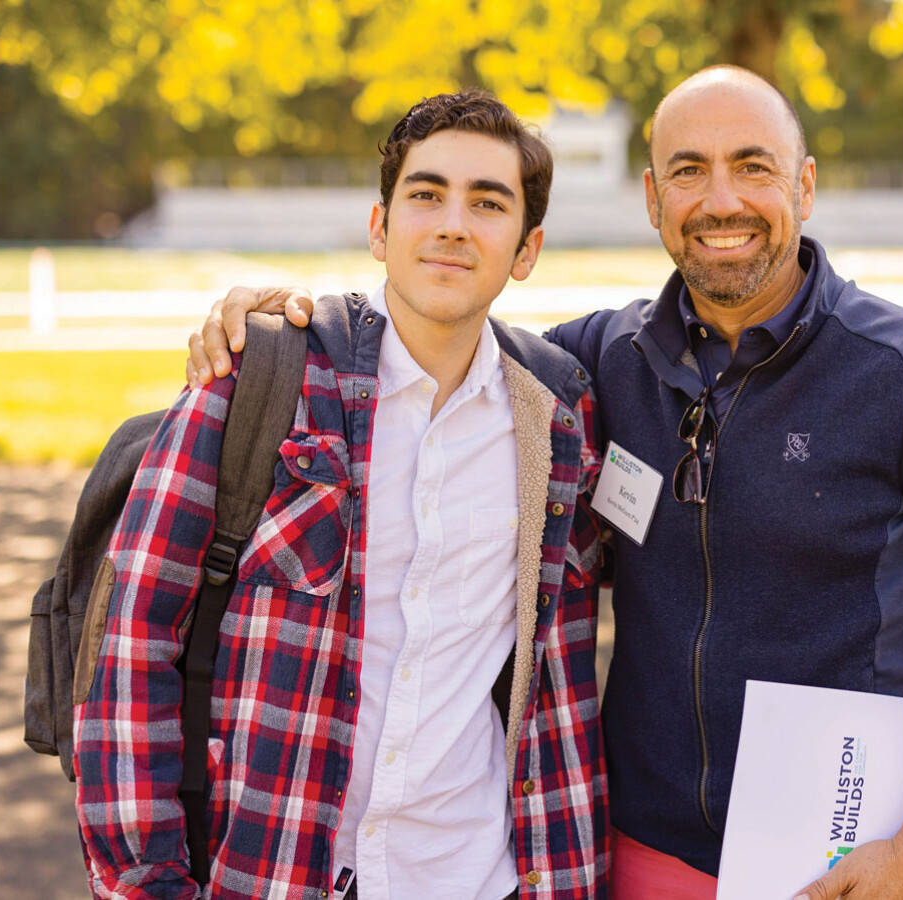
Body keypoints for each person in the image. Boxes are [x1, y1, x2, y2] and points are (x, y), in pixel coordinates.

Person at [191, 66, 903, 900]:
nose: (721, 200)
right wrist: (287, 323)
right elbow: (443, 325)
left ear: (805, 186)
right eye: (687, 171)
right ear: (652, 198)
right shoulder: (593, 366)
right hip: (641, 850)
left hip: (847, 856)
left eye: (753, 166)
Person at [76, 90, 607, 900]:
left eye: (488, 203)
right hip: (278, 869)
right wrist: (144, 882)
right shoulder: (261, 379)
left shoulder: (558, 422)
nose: (453, 224)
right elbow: (131, 636)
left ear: (527, 249)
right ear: (379, 228)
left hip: (480, 876)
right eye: (426, 194)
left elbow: (558, 689)